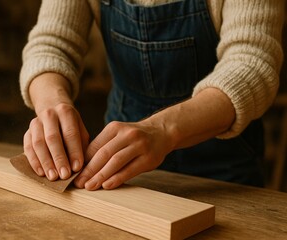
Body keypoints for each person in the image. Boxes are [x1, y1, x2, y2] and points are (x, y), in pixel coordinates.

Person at [20, 0, 284, 190]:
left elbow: (252, 63)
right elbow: (50, 44)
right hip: (121, 169)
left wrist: (163, 130)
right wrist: (52, 105)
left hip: (222, 170)